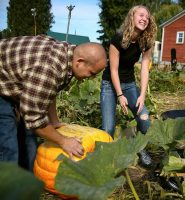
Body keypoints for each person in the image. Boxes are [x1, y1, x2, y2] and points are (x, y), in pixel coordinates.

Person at [0, 35, 107, 170]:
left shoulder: (67, 57)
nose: (91, 78)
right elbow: (34, 120)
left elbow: (49, 91)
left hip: (15, 80)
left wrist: (54, 121)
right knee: (7, 145)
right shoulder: (49, 68)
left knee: (29, 139)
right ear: (79, 62)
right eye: (91, 73)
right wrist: (64, 141)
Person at [100, 5, 157, 167]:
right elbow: (113, 70)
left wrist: (142, 95)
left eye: (147, 17)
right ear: (131, 17)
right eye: (141, 15)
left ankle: (138, 147)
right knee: (108, 129)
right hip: (110, 85)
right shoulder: (118, 38)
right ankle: (105, 159)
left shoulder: (146, 41)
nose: (144, 18)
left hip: (130, 84)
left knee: (145, 120)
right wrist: (119, 95)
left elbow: (145, 68)